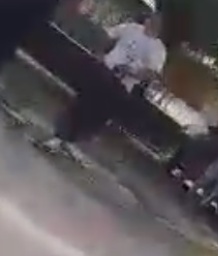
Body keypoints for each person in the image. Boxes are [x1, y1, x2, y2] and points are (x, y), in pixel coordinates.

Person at [39, 13, 166, 155]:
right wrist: (100, 52)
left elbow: (151, 73)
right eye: (151, 20)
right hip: (103, 71)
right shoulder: (132, 28)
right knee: (82, 102)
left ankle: (70, 139)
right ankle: (60, 136)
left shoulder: (158, 49)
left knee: (97, 114)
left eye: (156, 23)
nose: (151, 23)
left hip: (121, 84)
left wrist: (132, 72)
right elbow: (108, 37)